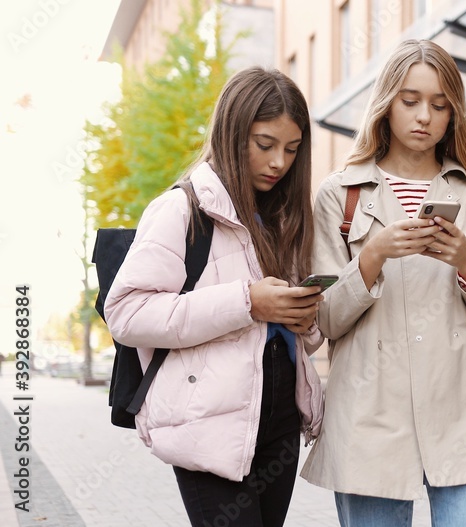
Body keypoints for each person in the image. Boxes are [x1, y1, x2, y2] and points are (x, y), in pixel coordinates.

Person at [300, 39, 466, 526]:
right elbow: (325, 320)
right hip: (368, 413)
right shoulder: (339, 194)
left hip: (465, 412)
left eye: (440, 105)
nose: (424, 116)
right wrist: (373, 255)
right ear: (386, 103)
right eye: (410, 101)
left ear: (453, 114)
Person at [104, 67, 325, 527]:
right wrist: (248, 302)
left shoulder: (281, 217)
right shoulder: (180, 208)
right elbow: (126, 312)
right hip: (206, 420)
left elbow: (297, 333)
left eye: (291, 149)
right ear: (231, 132)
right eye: (265, 145)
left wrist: (304, 320)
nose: (279, 162)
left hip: (279, 415)